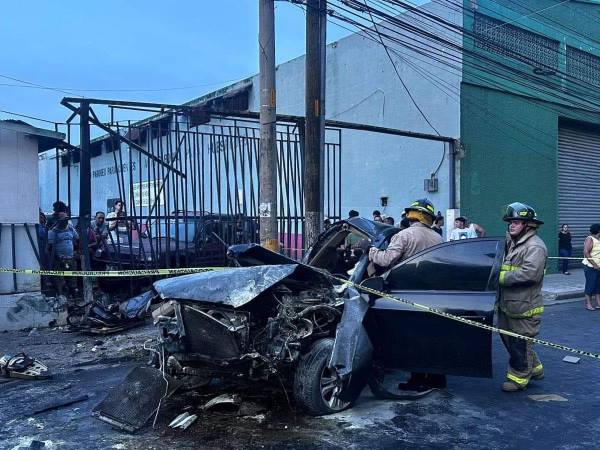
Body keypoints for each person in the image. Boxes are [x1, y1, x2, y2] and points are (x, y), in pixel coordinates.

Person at [361, 199, 444, 391]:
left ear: (411, 215)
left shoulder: (404, 235)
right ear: (429, 218)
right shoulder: (437, 237)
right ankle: (437, 378)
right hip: (433, 293)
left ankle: (417, 379)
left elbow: (387, 259)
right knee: (431, 336)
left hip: (409, 293)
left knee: (413, 337)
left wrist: (370, 250)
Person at [498, 202, 547, 392]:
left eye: (516, 222)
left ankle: (518, 379)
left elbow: (530, 274)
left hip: (524, 307)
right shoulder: (514, 243)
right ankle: (535, 369)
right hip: (509, 304)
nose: (511, 225)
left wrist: (500, 277)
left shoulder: (535, 247)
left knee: (519, 343)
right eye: (510, 222)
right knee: (514, 342)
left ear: (529, 225)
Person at [47, 212, 79, 297]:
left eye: (66, 220)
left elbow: (78, 239)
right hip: (59, 260)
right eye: (63, 220)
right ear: (58, 221)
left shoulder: (71, 229)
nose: (65, 221)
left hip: (71, 258)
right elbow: (50, 248)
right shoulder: (53, 232)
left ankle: (73, 296)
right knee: (59, 280)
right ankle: (61, 297)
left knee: (72, 279)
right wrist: (57, 258)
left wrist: (77, 252)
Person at [582, 224, 600, 311]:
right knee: (590, 285)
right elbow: (586, 252)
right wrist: (594, 265)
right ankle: (588, 304)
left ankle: (598, 303)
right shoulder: (590, 239)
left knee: (598, 286)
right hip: (590, 267)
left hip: (598, 267)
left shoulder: (598, 239)